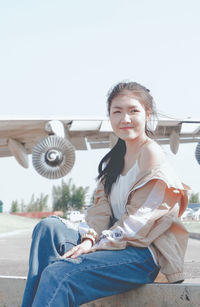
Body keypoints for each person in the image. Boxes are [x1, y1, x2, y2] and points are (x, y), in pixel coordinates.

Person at [22, 81, 189, 307]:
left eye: (133, 111)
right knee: (48, 229)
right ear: (109, 116)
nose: (125, 119)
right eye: (117, 112)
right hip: (111, 247)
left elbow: (138, 224)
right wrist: (90, 237)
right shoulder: (113, 159)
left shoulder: (150, 153)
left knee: (59, 274)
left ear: (147, 114)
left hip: (141, 255)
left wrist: (95, 244)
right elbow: (100, 209)